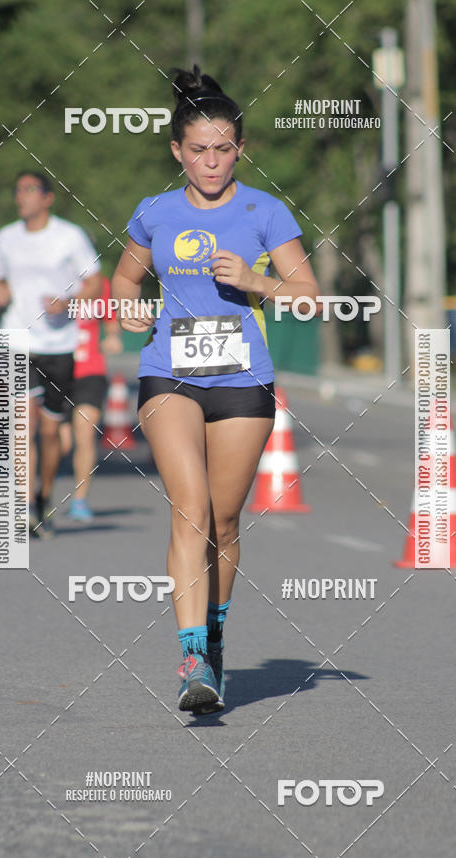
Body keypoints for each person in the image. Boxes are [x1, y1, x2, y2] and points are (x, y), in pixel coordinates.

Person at [112, 65, 320, 713]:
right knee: (190, 507)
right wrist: (127, 310)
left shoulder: (266, 211)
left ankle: (217, 636)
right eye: (197, 150)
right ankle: (193, 654)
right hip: (169, 373)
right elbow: (122, 282)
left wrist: (257, 282)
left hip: (242, 380)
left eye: (223, 149)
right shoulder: (154, 211)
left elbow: (311, 299)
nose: (211, 162)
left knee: (224, 523)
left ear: (241, 147)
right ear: (177, 150)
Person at [0, 171, 102, 536]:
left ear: (47, 198)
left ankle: (43, 496)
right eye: (17, 189)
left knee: (51, 432)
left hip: (59, 345)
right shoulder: (4, 238)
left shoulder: (69, 237)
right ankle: (22, 507)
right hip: (17, 341)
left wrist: (67, 301)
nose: (21, 196)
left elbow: (95, 282)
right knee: (23, 426)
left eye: (29, 189)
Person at [60, 275, 122, 521]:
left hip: (90, 372)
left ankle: (79, 499)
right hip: (55, 370)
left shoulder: (100, 286)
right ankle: (38, 496)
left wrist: (112, 337)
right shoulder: (52, 282)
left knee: (85, 434)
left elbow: (110, 322)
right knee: (60, 443)